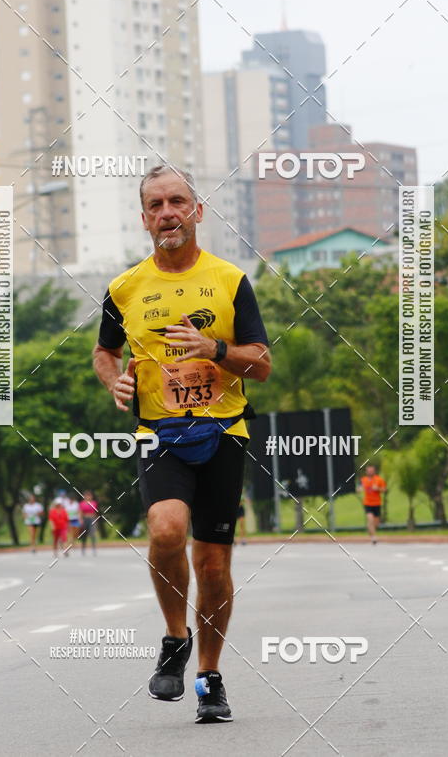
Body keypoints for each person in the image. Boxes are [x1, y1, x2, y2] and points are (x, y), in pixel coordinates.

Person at [93, 164, 271, 723]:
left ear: (198, 210)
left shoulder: (230, 280)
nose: (167, 212)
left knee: (213, 565)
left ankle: (209, 678)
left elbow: (262, 364)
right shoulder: (124, 287)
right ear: (143, 218)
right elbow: (105, 352)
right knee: (166, 530)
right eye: (156, 205)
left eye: (177, 201)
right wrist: (113, 379)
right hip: (159, 434)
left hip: (224, 432)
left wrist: (214, 349)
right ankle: (175, 636)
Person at [358, 464, 387, 544]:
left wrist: (378, 488)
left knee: (376, 523)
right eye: (368, 470)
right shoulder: (363, 480)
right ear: (366, 471)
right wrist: (360, 489)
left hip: (377, 503)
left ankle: (370, 530)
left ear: (374, 471)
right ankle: (374, 537)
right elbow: (358, 488)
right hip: (368, 503)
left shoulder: (379, 479)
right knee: (370, 518)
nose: (370, 472)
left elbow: (384, 489)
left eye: (371, 470)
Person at [79, 490, 99, 555]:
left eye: (89, 495)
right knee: (84, 534)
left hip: (92, 519)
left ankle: (94, 549)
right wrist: (81, 520)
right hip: (85, 519)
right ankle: (83, 549)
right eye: (87, 496)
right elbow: (80, 512)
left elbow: (95, 512)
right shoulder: (82, 503)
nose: (88, 497)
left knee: (92, 534)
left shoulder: (94, 503)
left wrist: (95, 521)